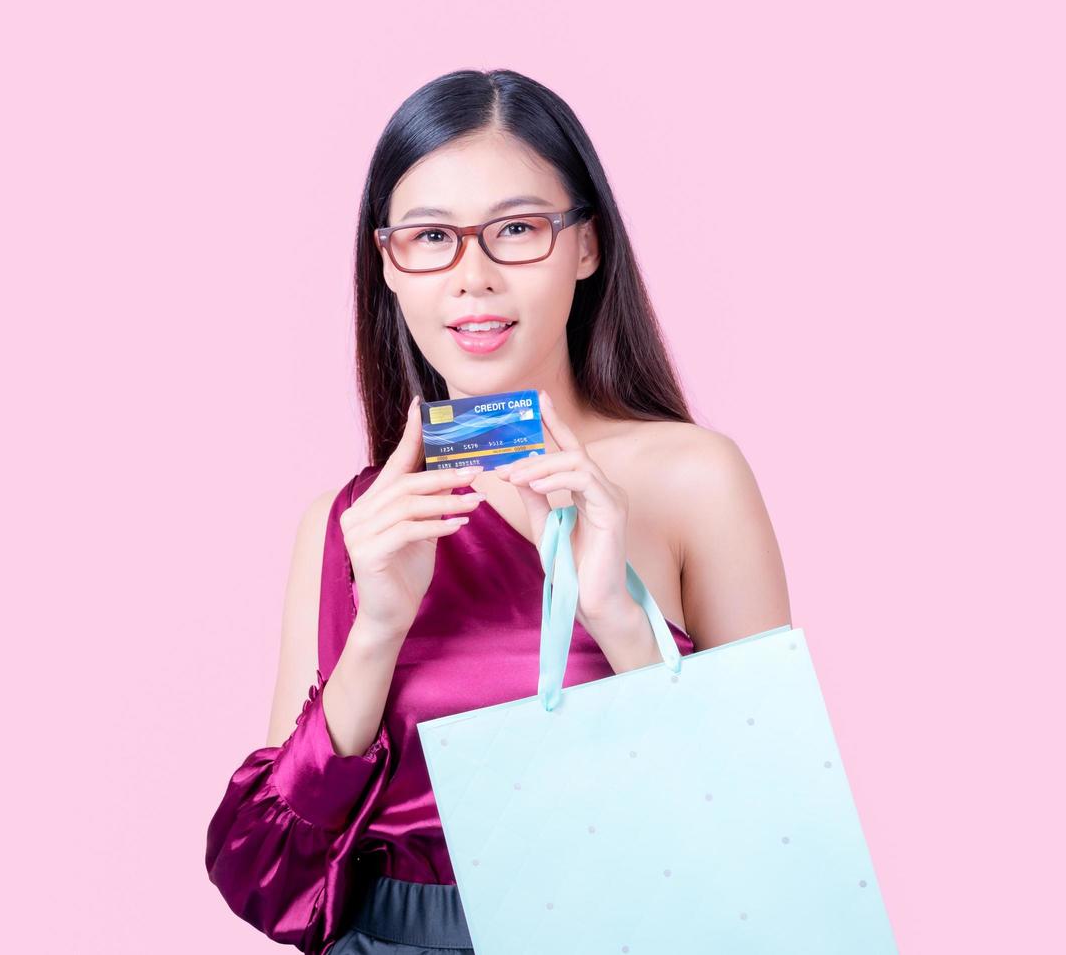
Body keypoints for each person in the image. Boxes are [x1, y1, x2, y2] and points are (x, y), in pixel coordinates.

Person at [203, 67, 791, 954]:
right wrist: (375, 630)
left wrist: (620, 620)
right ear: (389, 265)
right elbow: (268, 875)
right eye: (430, 237)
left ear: (585, 246)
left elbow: (772, 820)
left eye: (515, 229)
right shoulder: (350, 523)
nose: (471, 278)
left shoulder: (689, 476)